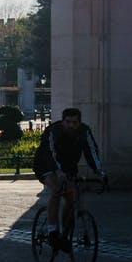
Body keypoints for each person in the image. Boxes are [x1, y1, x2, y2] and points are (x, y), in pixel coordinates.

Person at [33, 107, 106, 251]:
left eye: (74, 122)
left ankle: (65, 234)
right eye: (68, 122)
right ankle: (52, 231)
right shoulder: (53, 131)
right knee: (57, 189)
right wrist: (58, 170)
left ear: (79, 123)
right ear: (63, 121)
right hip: (46, 165)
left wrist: (99, 171)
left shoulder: (84, 131)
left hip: (68, 167)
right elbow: (50, 154)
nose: (71, 125)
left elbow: (91, 151)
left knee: (71, 197)